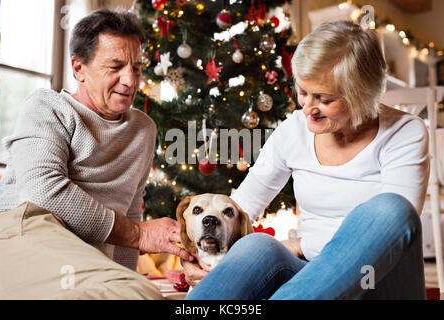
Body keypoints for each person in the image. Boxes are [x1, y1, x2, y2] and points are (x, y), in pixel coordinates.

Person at [183, 20, 430, 299]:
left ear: (360, 94)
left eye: (323, 98)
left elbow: (391, 233)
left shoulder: (405, 133)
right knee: (258, 246)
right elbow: (240, 208)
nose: (308, 108)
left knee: (390, 209)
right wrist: (192, 250)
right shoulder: (294, 129)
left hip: (380, 283)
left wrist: (302, 244)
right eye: (303, 92)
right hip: (310, 283)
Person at [0, 9, 193, 300]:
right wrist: (139, 234)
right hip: (20, 228)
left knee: (137, 293)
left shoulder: (143, 129)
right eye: (115, 66)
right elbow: (42, 192)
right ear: (78, 68)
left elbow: (131, 210)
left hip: (80, 255)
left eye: (136, 68)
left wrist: (126, 274)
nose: (130, 80)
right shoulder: (47, 107)